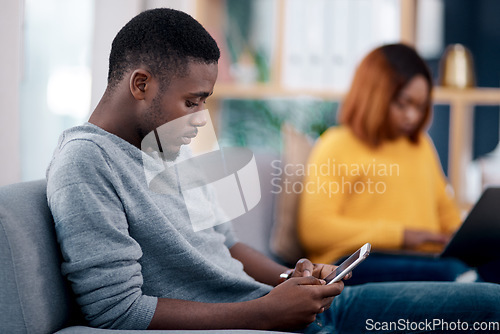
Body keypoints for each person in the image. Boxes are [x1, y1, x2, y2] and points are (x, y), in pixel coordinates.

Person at [46, 8, 500, 333]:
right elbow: (117, 309)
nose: (201, 118)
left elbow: (226, 243)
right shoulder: (87, 162)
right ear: (141, 84)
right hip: (270, 322)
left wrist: (291, 278)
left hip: (302, 313)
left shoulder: (164, 146)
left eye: (205, 101)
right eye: (193, 102)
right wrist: (265, 314)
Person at [297, 43, 478, 285]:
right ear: (374, 95)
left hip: (425, 258)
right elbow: (316, 230)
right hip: (353, 263)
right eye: (403, 104)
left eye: (420, 106)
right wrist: (402, 236)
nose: (412, 116)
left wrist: (467, 237)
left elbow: (446, 213)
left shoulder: (421, 145)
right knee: (450, 273)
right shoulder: (335, 144)